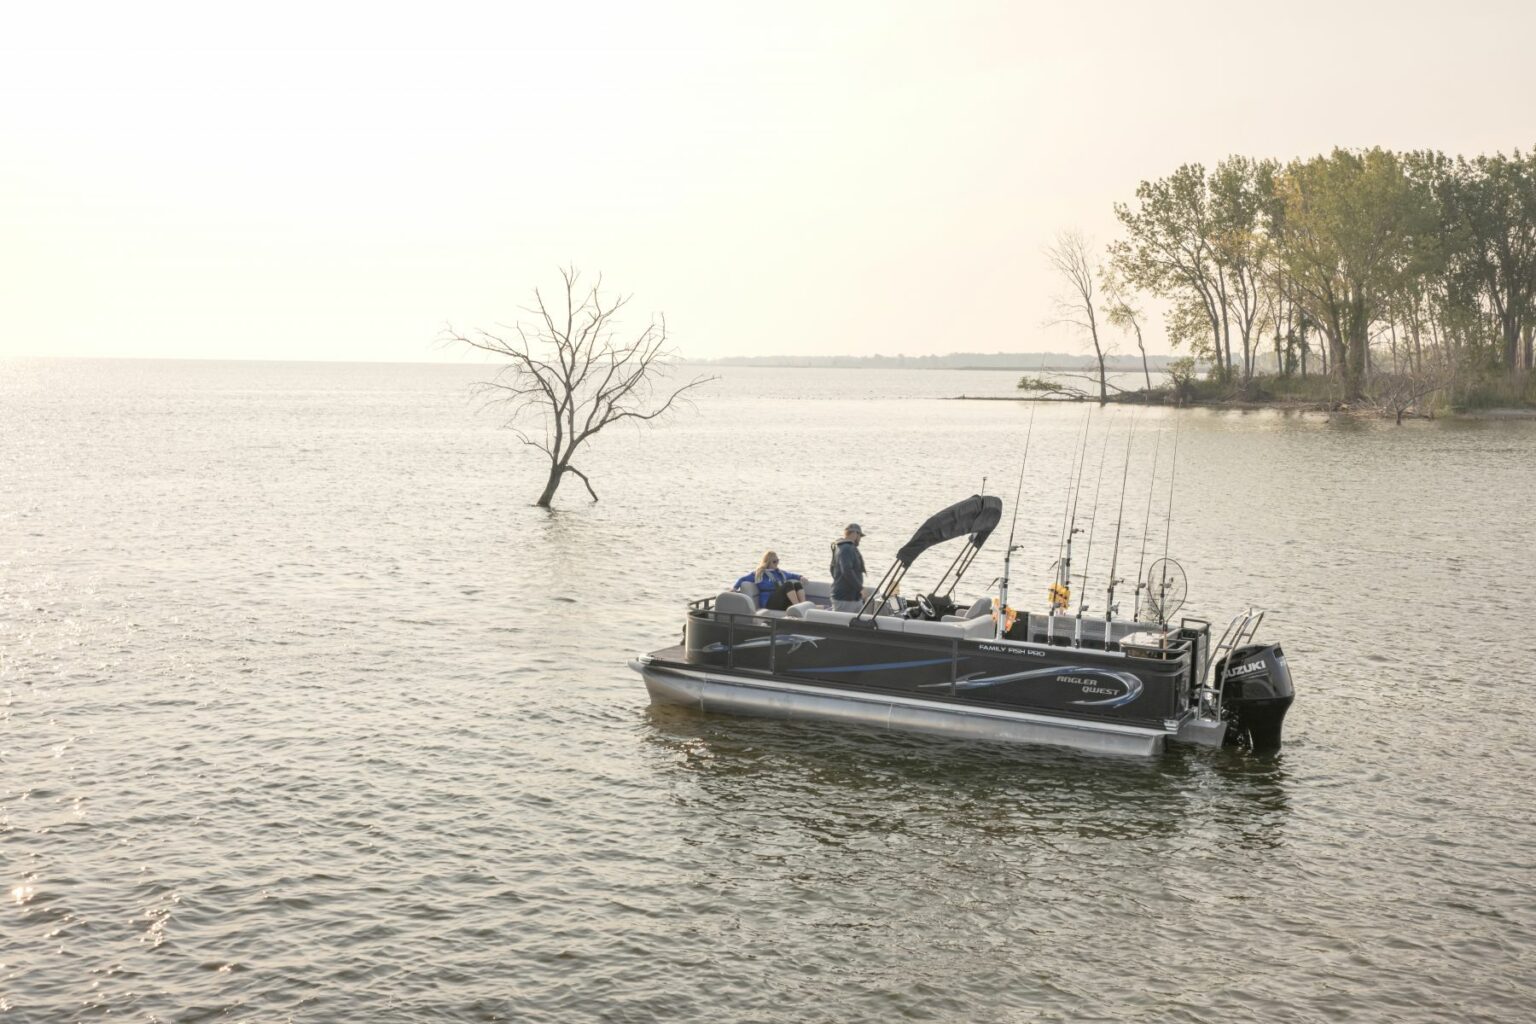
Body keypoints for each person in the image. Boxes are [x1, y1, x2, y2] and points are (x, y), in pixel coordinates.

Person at [734, 550, 807, 611]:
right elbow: (742, 579)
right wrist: (734, 588)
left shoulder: (779, 573)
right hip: (768, 603)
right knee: (788, 585)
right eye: (774, 561)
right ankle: (798, 609)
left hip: (780, 600)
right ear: (768, 562)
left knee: (797, 584)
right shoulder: (759, 574)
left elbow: (792, 575)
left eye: (777, 561)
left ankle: (802, 607)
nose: (777, 563)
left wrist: (801, 577)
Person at [829, 523, 867, 613]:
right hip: (845, 599)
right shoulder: (846, 548)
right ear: (854, 533)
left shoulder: (842, 547)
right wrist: (860, 588)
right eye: (860, 536)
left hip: (853, 597)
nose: (860, 539)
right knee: (843, 624)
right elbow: (846, 570)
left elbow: (832, 570)